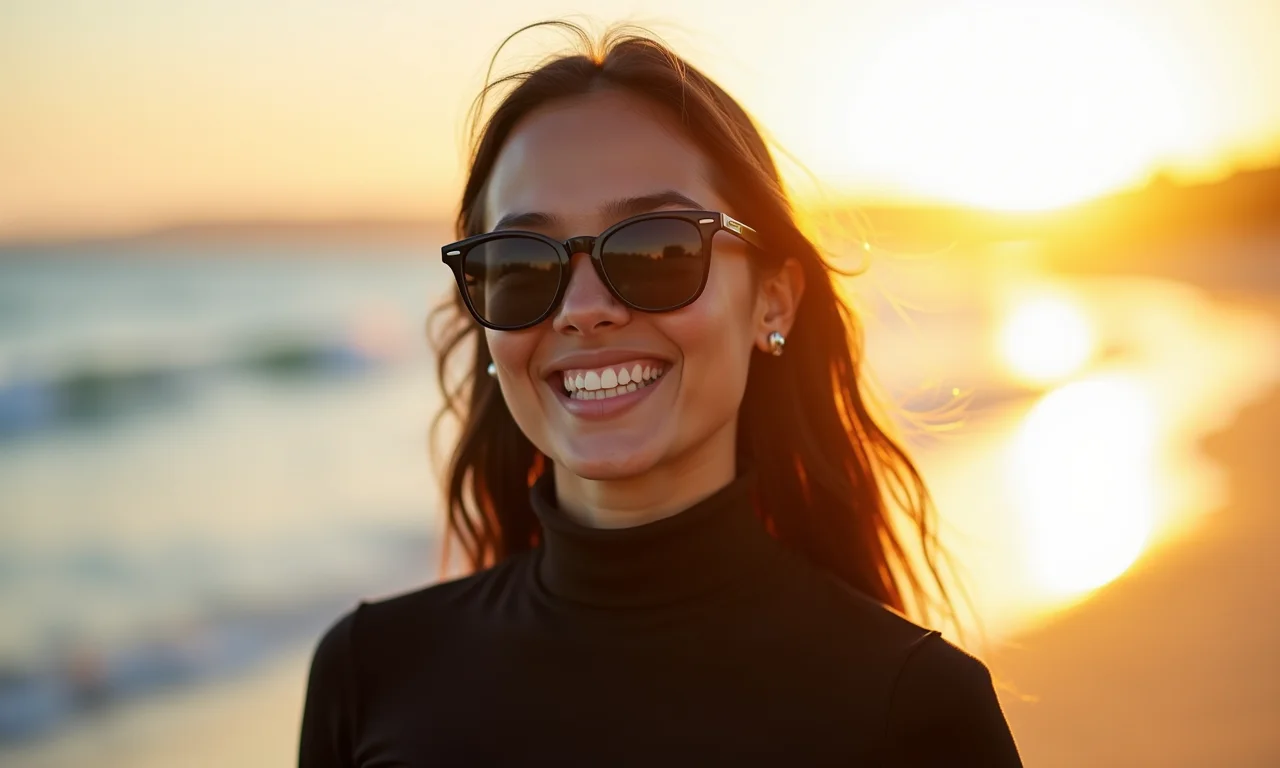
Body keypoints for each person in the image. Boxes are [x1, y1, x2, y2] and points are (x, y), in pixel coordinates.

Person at [299, 22, 1022, 766]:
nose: (583, 307)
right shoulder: (369, 675)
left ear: (772, 301)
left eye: (655, 248)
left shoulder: (913, 707)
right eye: (521, 263)